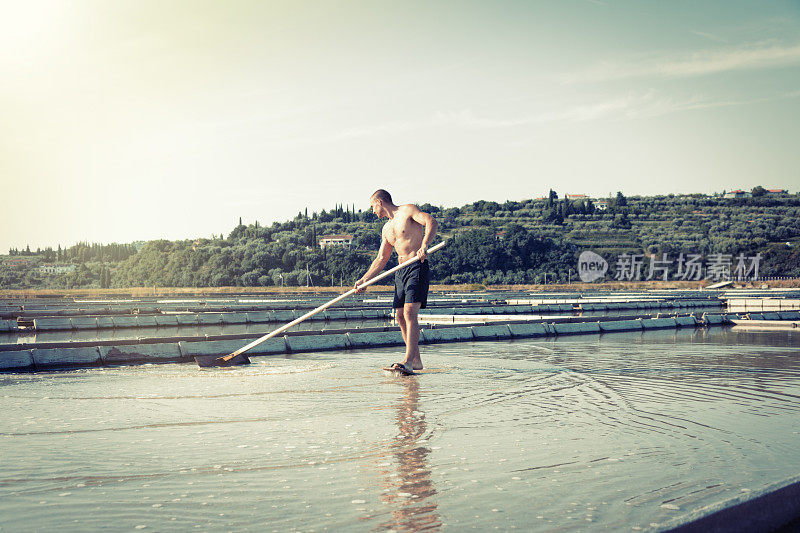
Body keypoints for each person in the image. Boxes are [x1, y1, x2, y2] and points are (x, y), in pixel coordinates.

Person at [354, 189, 438, 373]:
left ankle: (407, 361)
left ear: (379, 202)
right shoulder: (386, 229)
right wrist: (364, 280)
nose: (372, 211)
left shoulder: (407, 210)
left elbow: (431, 221)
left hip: (417, 265)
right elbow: (381, 259)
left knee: (409, 312)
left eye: (372, 207)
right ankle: (415, 361)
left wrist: (424, 246)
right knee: (399, 315)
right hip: (400, 272)